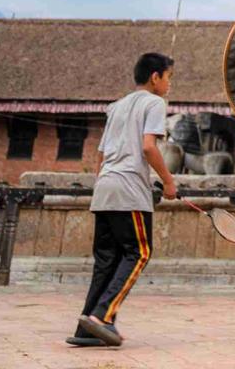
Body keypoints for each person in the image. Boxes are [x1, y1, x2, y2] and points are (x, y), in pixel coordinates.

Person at [69, 51, 176, 349]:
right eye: (168, 78)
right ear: (155, 78)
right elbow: (148, 148)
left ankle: (86, 328)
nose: (169, 85)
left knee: (106, 259)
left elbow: (102, 155)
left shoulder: (115, 107)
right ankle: (103, 317)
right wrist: (168, 181)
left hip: (105, 188)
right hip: (129, 191)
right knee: (139, 253)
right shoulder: (155, 102)